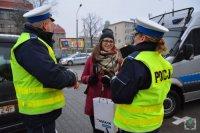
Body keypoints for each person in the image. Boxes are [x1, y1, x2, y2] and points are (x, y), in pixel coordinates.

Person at [10, 5, 79, 133]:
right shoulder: (30, 45)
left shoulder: (37, 43)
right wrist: (73, 77)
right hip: (38, 114)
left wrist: (69, 73)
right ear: (45, 25)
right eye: (52, 22)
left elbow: (52, 67)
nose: (54, 26)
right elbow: (53, 77)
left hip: (42, 114)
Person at [111, 18, 173, 133]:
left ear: (142, 38)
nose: (134, 38)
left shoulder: (134, 61)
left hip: (133, 125)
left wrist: (114, 80)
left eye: (135, 35)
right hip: (155, 123)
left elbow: (118, 96)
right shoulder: (166, 63)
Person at [81, 28, 122, 133]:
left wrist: (113, 82)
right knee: (97, 130)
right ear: (101, 42)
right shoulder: (92, 58)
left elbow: (124, 80)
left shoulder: (119, 59)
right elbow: (83, 77)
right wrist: (90, 79)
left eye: (111, 41)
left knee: (113, 130)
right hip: (95, 102)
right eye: (106, 41)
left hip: (112, 100)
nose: (108, 43)